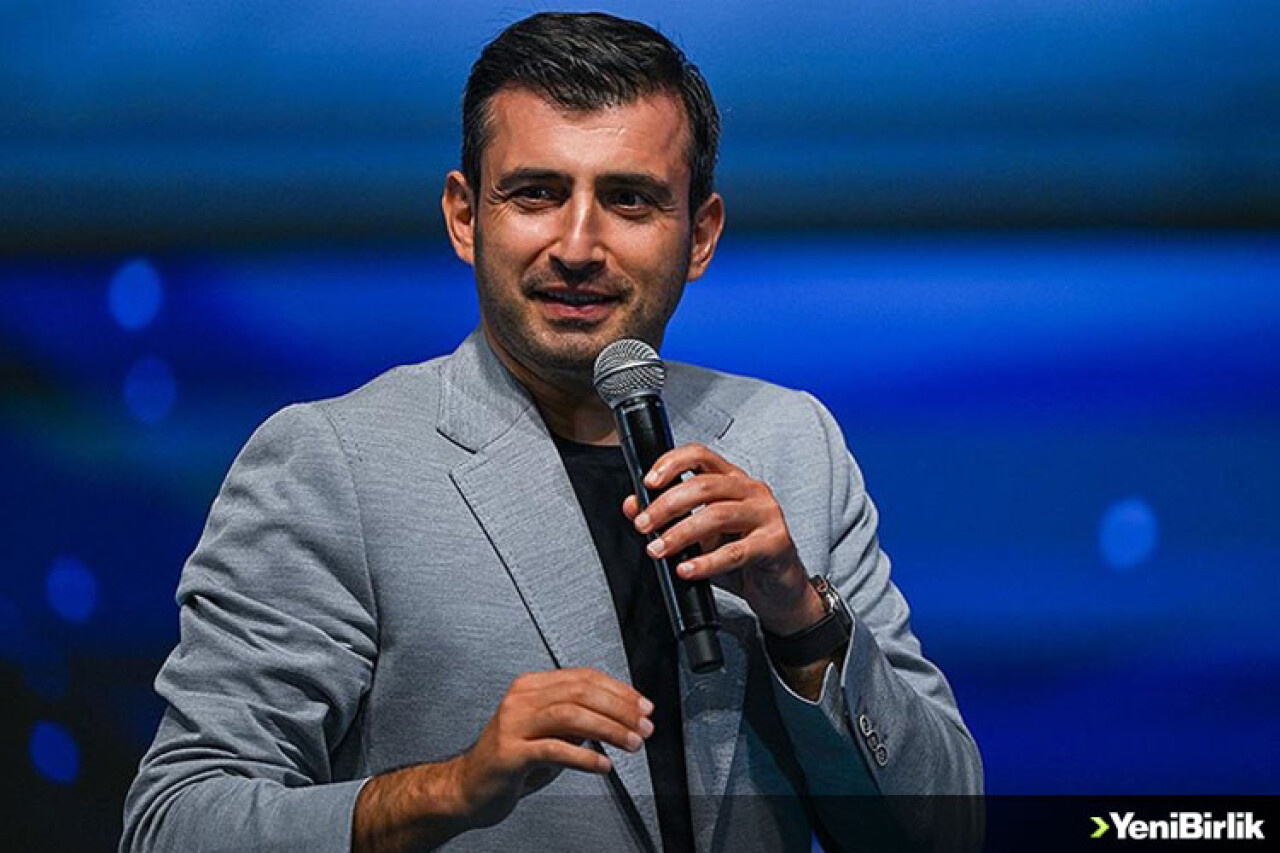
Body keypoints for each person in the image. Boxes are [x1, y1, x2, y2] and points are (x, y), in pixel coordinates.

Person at [121, 12, 982, 853]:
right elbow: (176, 821)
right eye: (536, 193)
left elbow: (947, 827)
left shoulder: (792, 442)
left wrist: (803, 620)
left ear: (701, 234)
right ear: (465, 217)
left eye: (629, 199)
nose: (577, 245)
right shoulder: (332, 462)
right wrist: (447, 789)